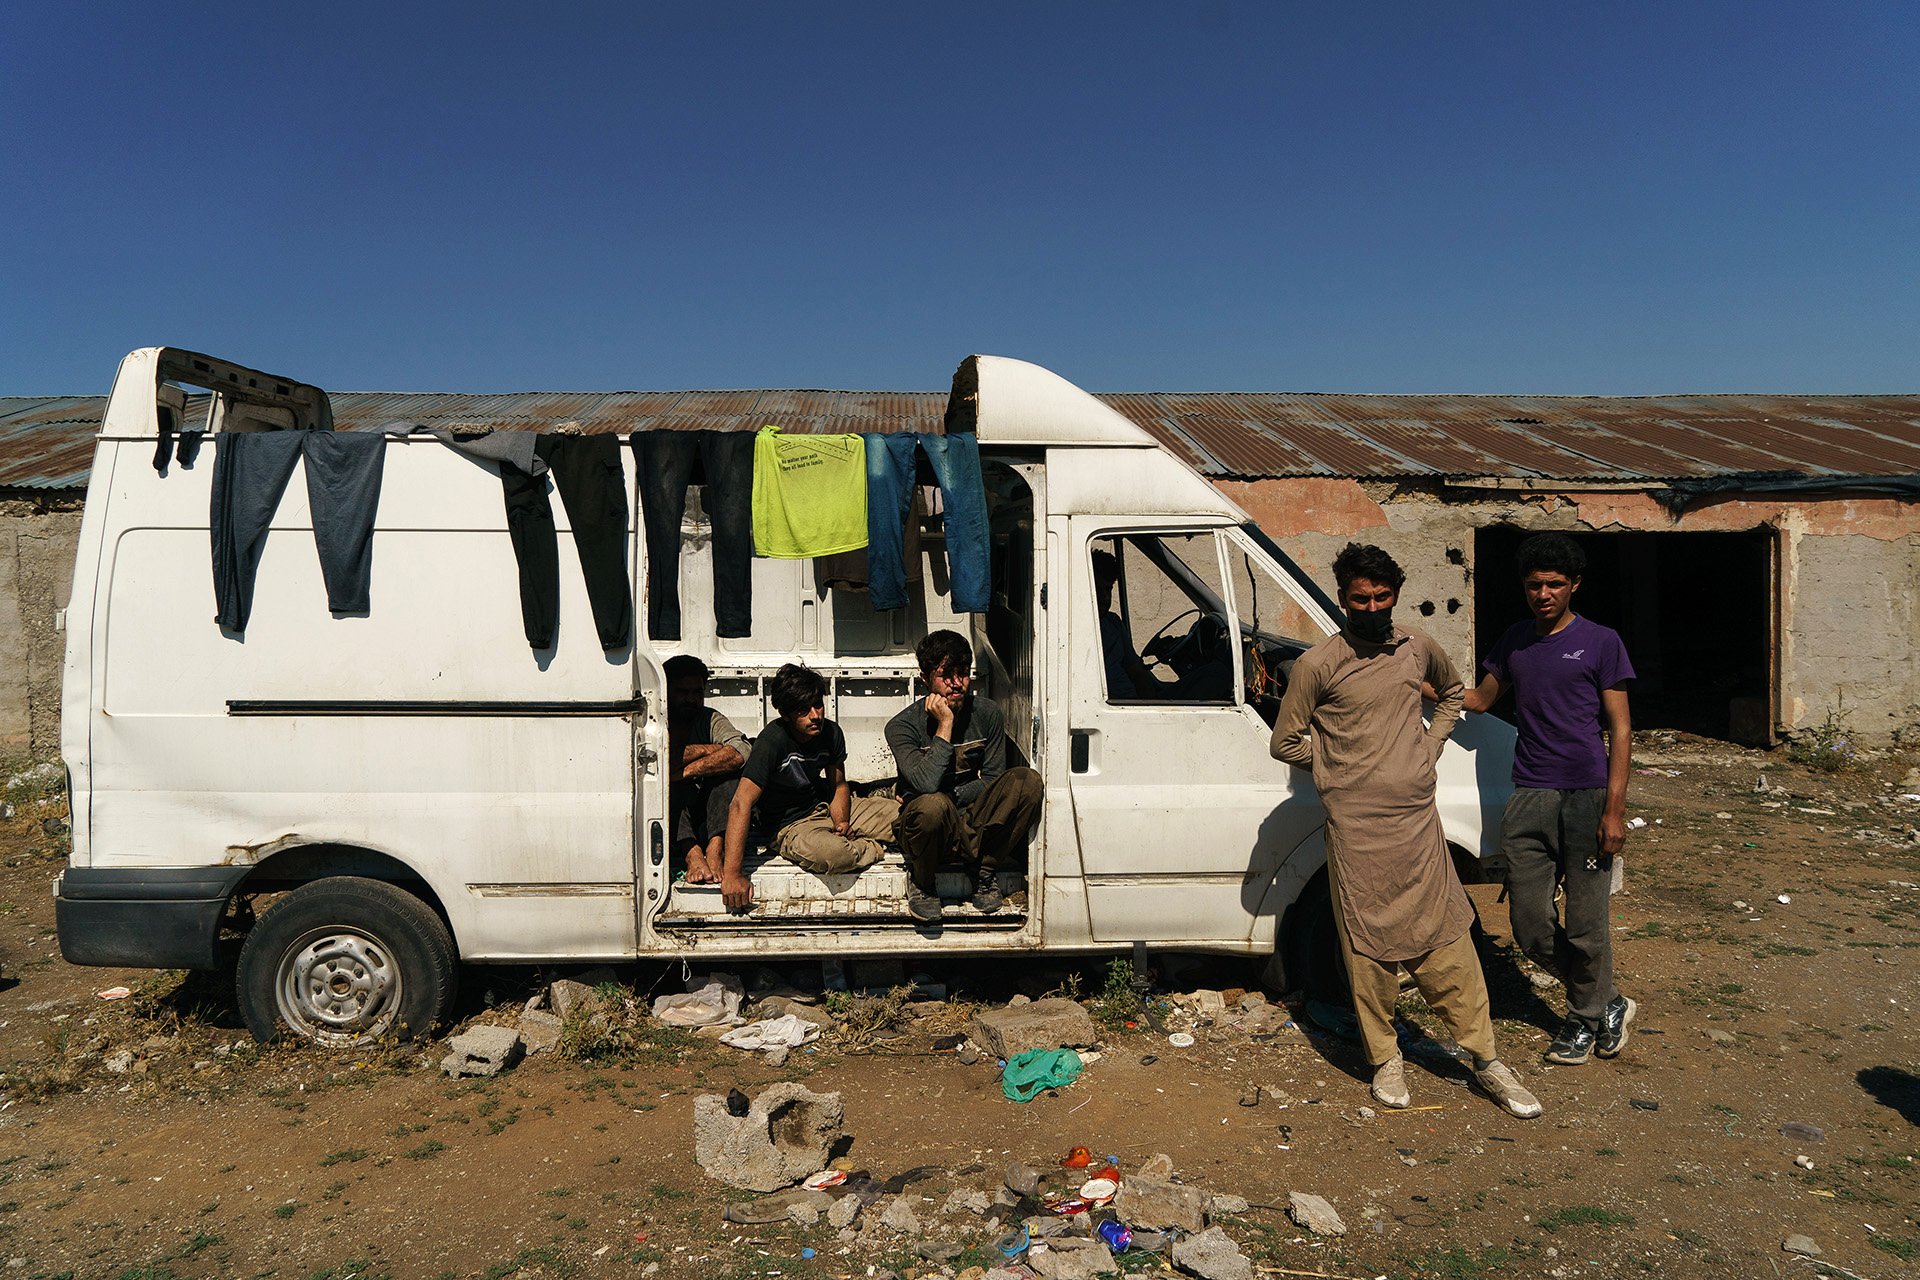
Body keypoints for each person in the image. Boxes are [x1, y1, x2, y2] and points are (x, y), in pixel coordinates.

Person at [1270, 542, 1542, 1119]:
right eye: (1358, 598)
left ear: (1395, 595)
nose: (1370, 607)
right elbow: (1286, 741)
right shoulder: (1321, 664)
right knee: (1367, 948)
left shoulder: (1419, 649)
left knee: (1447, 938)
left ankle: (1488, 1060)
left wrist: (1430, 744)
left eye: (1381, 597)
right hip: (1356, 831)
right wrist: (1340, 771)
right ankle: (1385, 1057)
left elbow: (1450, 694)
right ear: (1342, 598)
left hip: (1418, 824)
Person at [1464, 532, 1637, 1065]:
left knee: (1587, 924)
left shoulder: (1602, 641)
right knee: (1530, 926)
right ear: (1524, 587)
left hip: (1585, 797)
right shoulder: (1514, 641)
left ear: (1574, 586)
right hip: (1530, 797)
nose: (1544, 593)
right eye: (1535, 585)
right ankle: (1607, 1000)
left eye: (1555, 584)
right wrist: (1410, 678)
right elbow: (1477, 700)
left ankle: (1582, 1021)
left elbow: (1622, 730)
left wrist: (1614, 812)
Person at [885, 629, 1043, 922]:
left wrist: (958, 801)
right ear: (925, 679)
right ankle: (923, 881)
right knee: (933, 805)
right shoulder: (901, 727)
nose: (957, 684)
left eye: (963, 673)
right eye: (946, 675)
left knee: (1027, 782)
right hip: (927, 827)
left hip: (971, 820)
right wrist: (945, 724)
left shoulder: (987, 713)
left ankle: (983, 870)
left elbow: (993, 780)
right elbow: (926, 785)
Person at [719, 663, 896, 911]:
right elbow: (741, 803)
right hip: (790, 826)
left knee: (904, 817)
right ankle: (874, 846)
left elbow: (839, 785)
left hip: (823, 807)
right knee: (836, 855)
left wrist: (842, 823)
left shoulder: (831, 732)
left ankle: (861, 838)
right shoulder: (772, 741)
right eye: (804, 710)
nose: (815, 715)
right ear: (786, 714)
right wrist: (733, 874)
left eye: (818, 705)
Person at [663, 654, 749, 884]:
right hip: (677, 814)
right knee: (666, 784)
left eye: (697, 693)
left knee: (728, 778)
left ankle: (715, 849)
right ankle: (692, 854)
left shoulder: (709, 718)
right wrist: (709, 749)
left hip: (710, 812)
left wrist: (687, 769)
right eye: (682, 692)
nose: (690, 699)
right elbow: (659, 759)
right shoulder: (657, 721)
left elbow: (740, 751)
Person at [1092, 548, 1151, 697]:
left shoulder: (1113, 623)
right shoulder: (1074, 629)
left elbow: (1136, 671)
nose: (1105, 597)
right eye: (1098, 590)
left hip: (1131, 703)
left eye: (1108, 589)